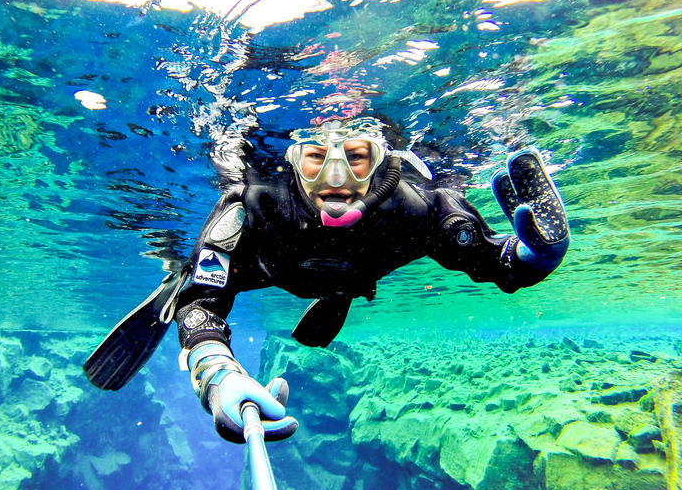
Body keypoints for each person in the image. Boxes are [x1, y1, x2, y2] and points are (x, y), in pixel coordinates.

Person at [83, 116, 570, 445]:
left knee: (340, 282)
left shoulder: (416, 207)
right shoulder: (251, 203)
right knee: (197, 281)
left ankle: (338, 292)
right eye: (317, 157)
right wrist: (218, 375)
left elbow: (495, 262)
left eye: (356, 157)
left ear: (383, 160)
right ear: (292, 159)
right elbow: (203, 307)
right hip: (263, 267)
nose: (335, 177)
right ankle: (176, 268)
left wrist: (532, 259)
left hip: (346, 281)